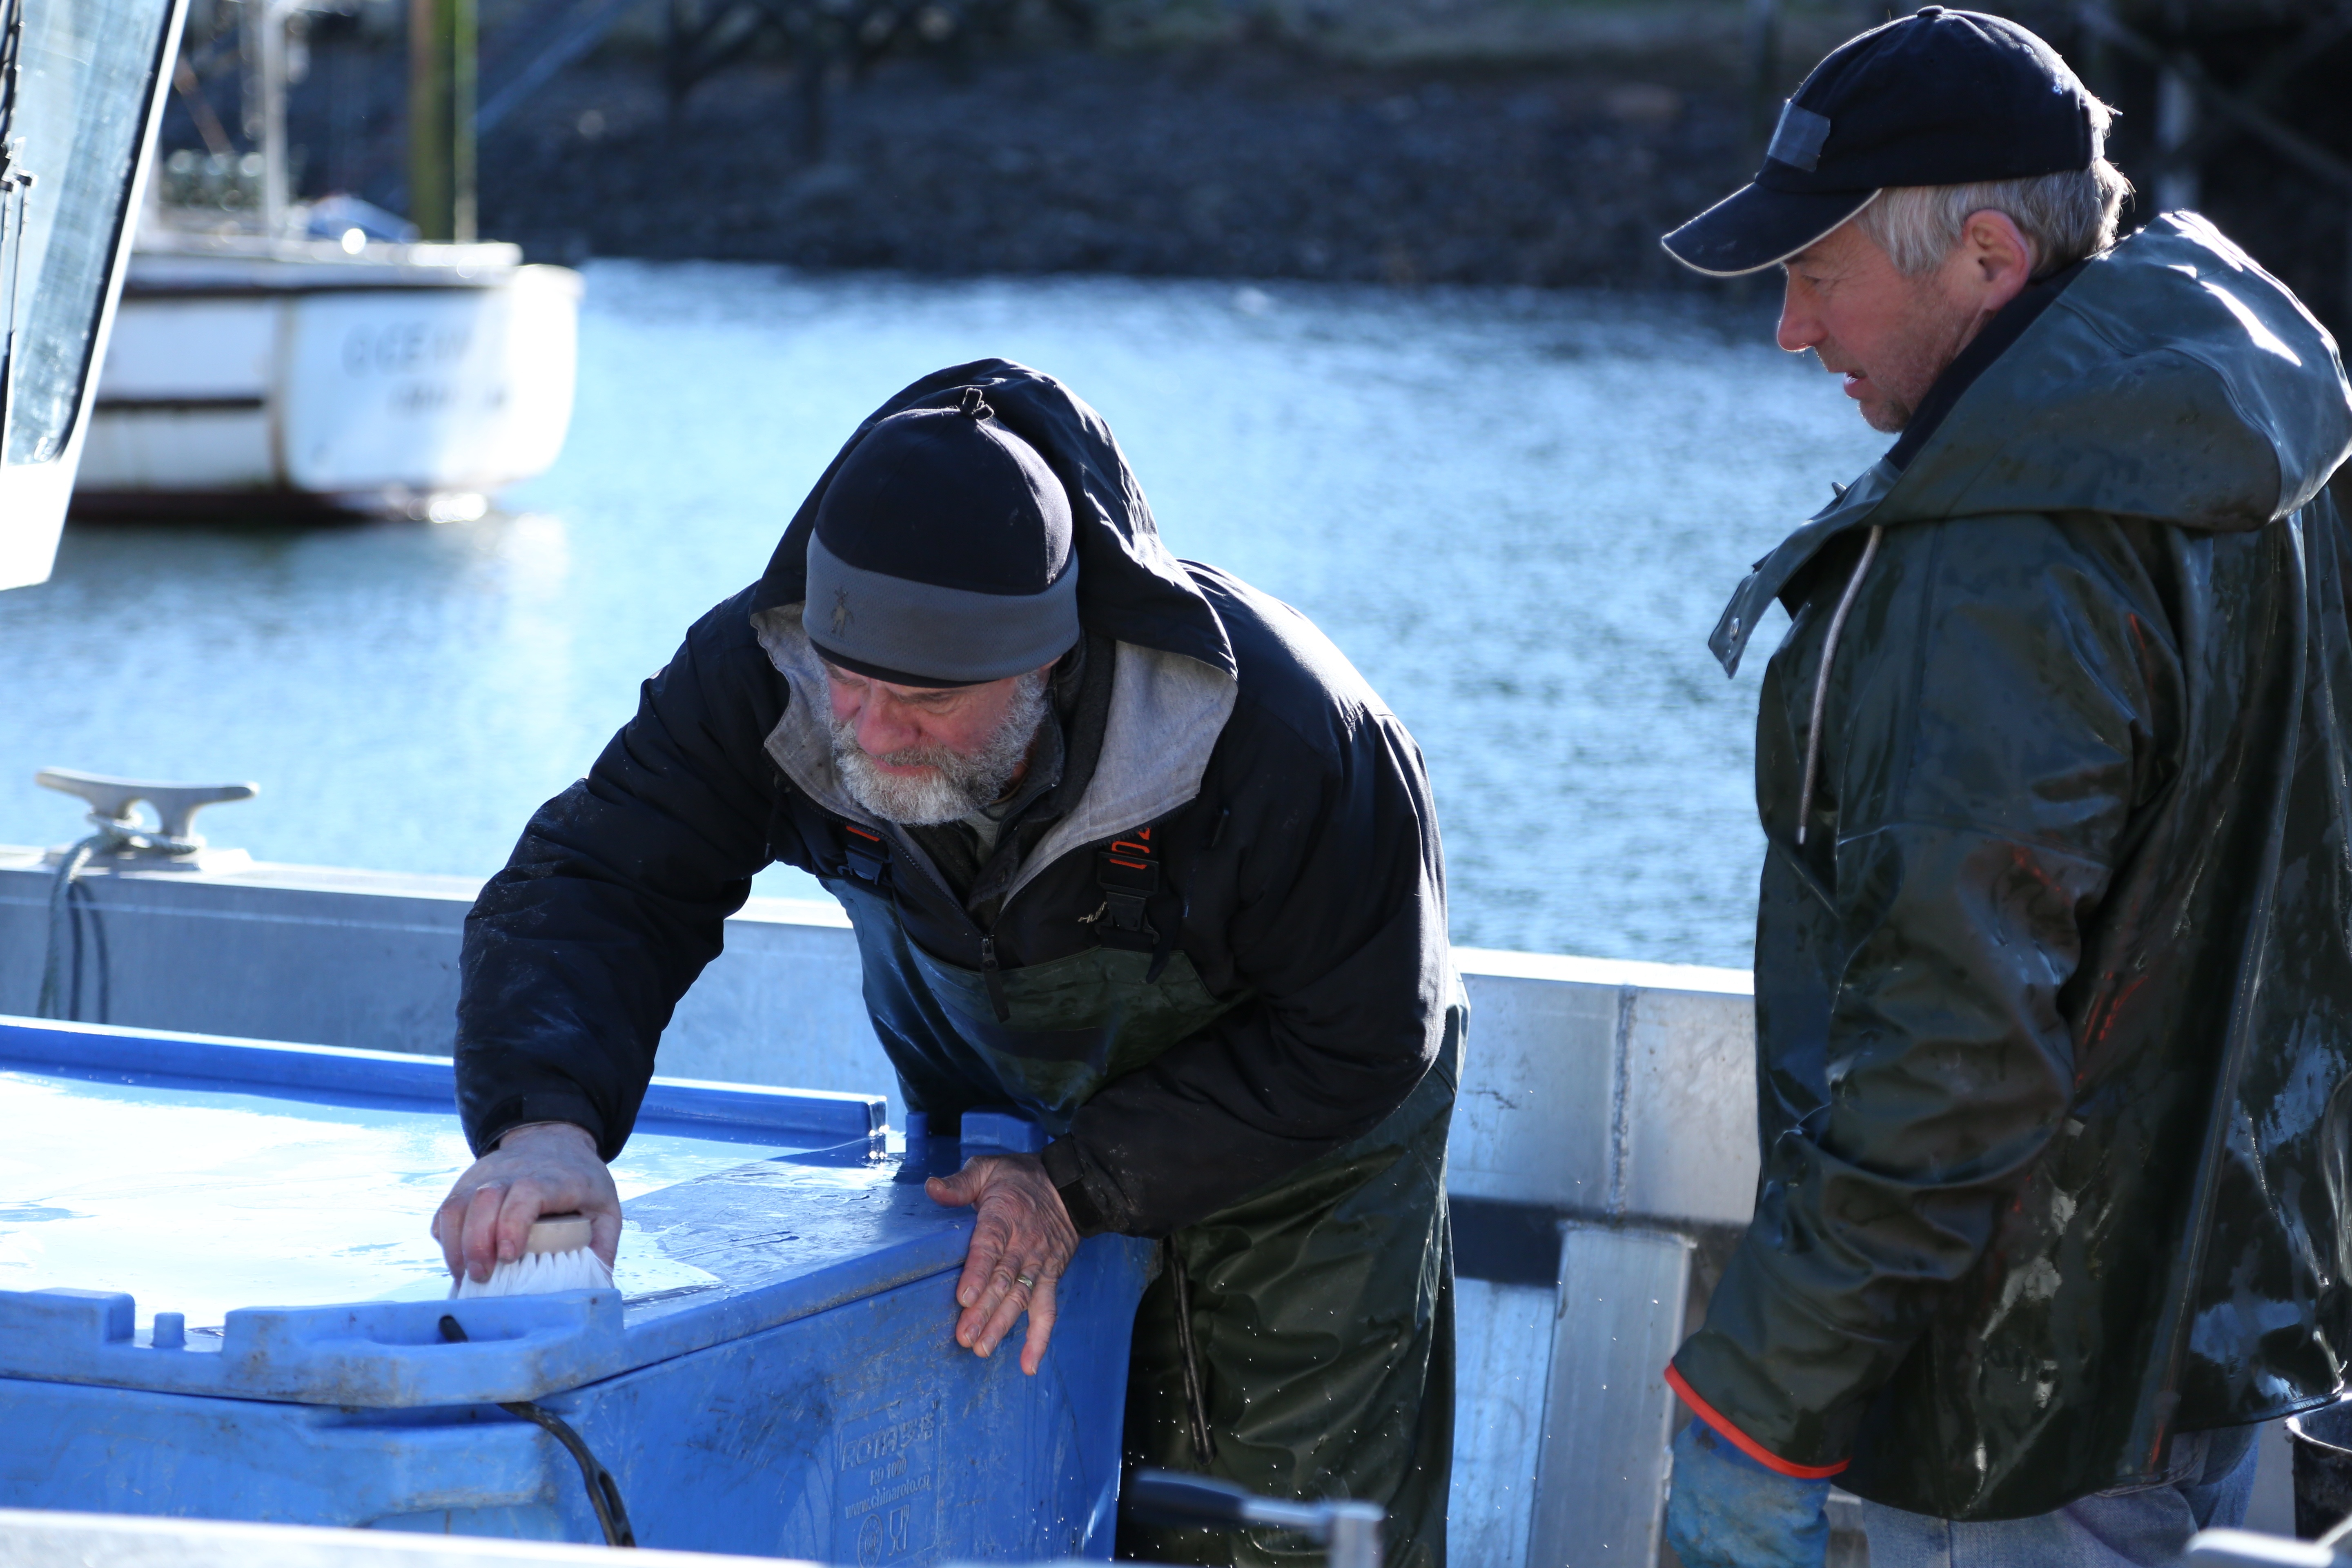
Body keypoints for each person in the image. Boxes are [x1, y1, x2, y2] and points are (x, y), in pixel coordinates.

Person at [429, 362, 1462, 1568]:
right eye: (845, 680)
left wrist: (1083, 1185)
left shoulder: (1290, 740)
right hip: (993, 1125)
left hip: (1298, 1155)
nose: (863, 730)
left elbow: (1364, 1034)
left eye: (920, 700)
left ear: (1046, 666)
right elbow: (601, 880)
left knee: (1269, 1528)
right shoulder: (768, 675)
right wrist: (544, 1122)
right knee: (999, 1506)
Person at [1653, 9, 2352, 1565]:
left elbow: (1955, 1046)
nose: (1790, 328)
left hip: (2015, 1405)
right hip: (2215, 1329)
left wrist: (1763, 1408)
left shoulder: (2005, 551)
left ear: (1983, 253)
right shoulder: (2255, 442)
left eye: (1816, 271)